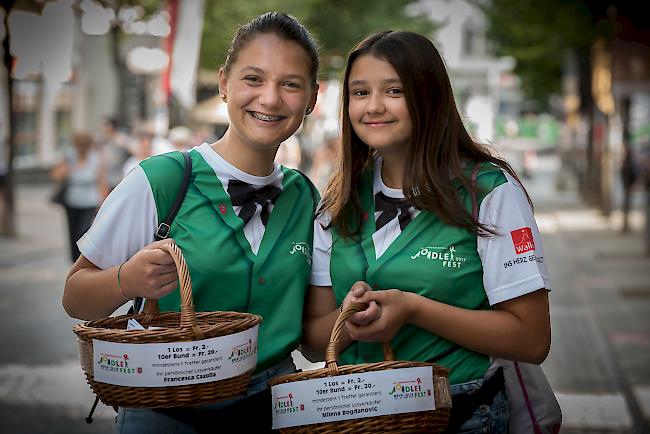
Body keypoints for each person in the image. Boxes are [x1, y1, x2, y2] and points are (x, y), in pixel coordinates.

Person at [62, 11, 320, 433]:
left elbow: (311, 330)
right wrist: (126, 280)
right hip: (165, 410)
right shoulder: (162, 180)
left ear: (312, 98)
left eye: (290, 84)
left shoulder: (306, 197)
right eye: (253, 79)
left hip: (273, 407)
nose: (270, 98)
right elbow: (75, 298)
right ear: (224, 84)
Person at [301, 31, 551, 433]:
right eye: (360, 92)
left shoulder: (488, 192)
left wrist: (414, 310)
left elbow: (532, 339)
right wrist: (351, 320)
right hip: (355, 418)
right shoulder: (339, 199)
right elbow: (314, 342)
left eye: (394, 90)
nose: (374, 106)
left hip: (462, 415)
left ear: (428, 95)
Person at [50, 132, 102, 262]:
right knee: (72, 234)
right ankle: (74, 262)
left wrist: (102, 204)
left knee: (83, 232)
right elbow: (55, 176)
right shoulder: (69, 156)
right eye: (79, 146)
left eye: (85, 146)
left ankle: (82, 261)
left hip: (89, 203)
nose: (82, 149)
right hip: (71, 202)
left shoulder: (95, 159)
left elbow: (102, 182)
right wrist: (64, 171)